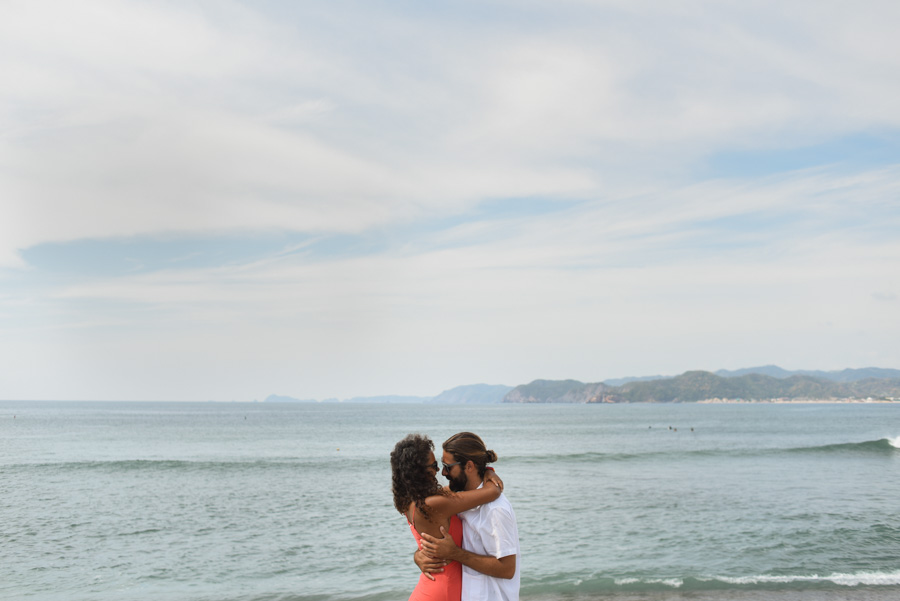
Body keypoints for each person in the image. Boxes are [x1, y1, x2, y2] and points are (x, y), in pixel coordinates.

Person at [391, 433, 503, 601]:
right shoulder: (432, 504)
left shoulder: (414, 501)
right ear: (418, 472)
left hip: (435, 588)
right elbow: (492, 492)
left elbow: (456, 488)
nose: (439, 471)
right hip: (442, 592)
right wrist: (489, 473)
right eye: (434, 465)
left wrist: (485, 470)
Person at [416, 432, 521, 601]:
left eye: (448, 467)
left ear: (470, 466)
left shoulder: (496, 510)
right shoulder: (458, 497)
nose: (443, 473)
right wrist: (419, 555)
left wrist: (454, 553)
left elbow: (507, 569)